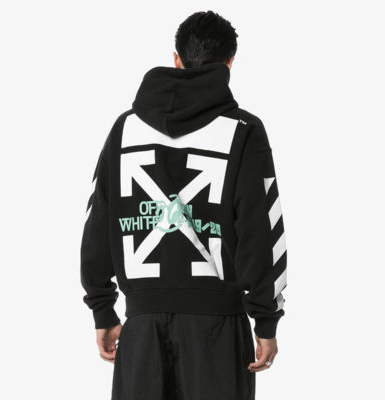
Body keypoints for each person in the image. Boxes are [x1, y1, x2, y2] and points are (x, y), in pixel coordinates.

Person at [80, 10, 287, 400]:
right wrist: (266, 319)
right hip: (217, 329)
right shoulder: (243, 131)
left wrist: (102, 308)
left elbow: (98, 222)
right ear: (229, 63)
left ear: (177, 59)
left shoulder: (125, 129)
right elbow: (261, 231)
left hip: (141, 327)